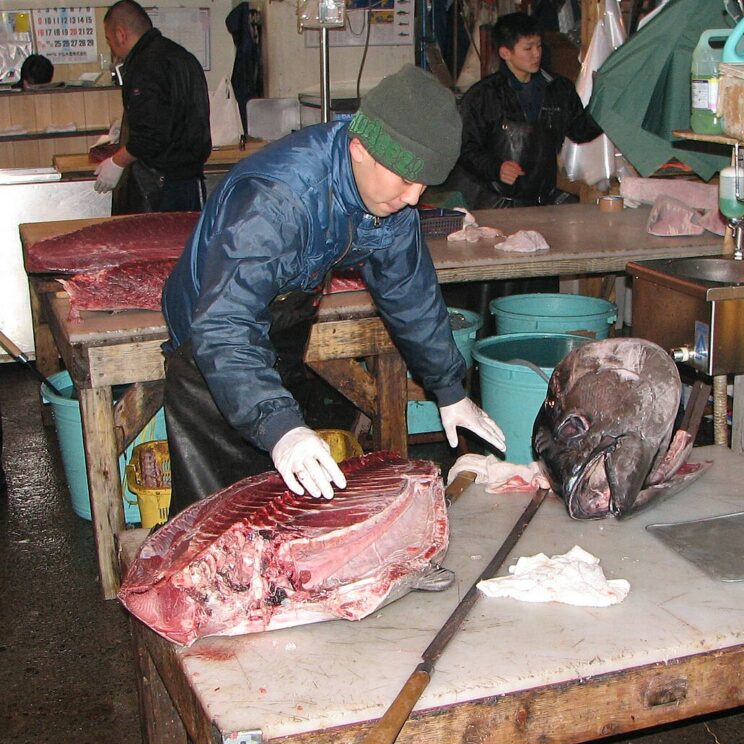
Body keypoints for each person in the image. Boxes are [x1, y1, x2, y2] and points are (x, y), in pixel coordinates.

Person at [160, 64, 506, 515]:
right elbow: (225, 323)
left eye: (425, 185)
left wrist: (448, 386)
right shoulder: (277, 201)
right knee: (214, 509)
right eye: (406, 180)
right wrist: (280, 427)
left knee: (275, 497)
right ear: (360, 148)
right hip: (210, 338)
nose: (414, 198)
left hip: (285, 317)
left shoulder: (388, 199)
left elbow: (409, 291)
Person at [455, 12, 602, 209]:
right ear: (505, 52)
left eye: (539, 45)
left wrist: (603, 101)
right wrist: (496, 168)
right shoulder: (484, 96)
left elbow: (581, 131)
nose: (536, 54)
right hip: (497, 206)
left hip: (544, 203)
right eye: (528, 48)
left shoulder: (558, 89)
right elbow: (465, 148)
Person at [95, 0, 211, 214]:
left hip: (159, 188)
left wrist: (116, 162)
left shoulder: (144, 66)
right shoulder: (185, 58)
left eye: (109, 40)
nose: (112, 47)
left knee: (153, 246)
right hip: (191, 182)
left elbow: (150, 137)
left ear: (121, 34)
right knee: (184, 245)